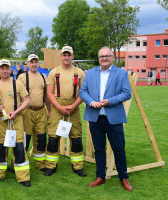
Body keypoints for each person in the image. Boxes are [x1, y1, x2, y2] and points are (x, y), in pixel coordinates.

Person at [79, 46, 133, 192]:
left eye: (107, 56)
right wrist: (91, 102)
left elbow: (127, 93)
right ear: (99, 58)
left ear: (112, 57)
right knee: (99, 149)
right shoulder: (90, 73)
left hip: (113, 117)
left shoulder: (121, 73)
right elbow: (82, 91)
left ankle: (123, 177)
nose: (104, 58)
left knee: (119, 148)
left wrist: (109, 101)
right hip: (95, 117)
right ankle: (100, 176)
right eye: (101, 56)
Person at [44, 46, 87, 177]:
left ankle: (77, 166)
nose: (66, 57)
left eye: (69, 55)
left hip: (74, 109)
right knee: (52, 139)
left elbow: (84, 92)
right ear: (61, 56)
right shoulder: (53, 72)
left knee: (76, 139)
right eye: (64, 55)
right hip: (58, 108)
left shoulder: (80, 73)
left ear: (73, 56)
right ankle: (51, 166)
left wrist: (73, 106)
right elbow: (49, 92)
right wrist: (58, 107)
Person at [0, 59, 31, 187]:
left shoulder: (17, 83)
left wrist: (16, 111)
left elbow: (27, 100)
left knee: (19, 147)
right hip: (1, 121)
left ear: (10, 69)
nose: (4, 70)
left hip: (16, 120)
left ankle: (23, 177)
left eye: (6, 68)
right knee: (0, 148)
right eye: (2, 68)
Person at [17, 54, 49, 171]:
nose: (34, 64)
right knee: (26, 138)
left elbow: (47, 96)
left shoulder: (43, 77)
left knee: (41, 138)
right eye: (32, 62)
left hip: (41, 111)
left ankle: (40, 164)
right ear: (28, 64)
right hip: (27, 111)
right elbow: (17, 96)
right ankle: (22, 162)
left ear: (39, 63)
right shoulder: (21, 77)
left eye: (36, 62)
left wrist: (49, 111)